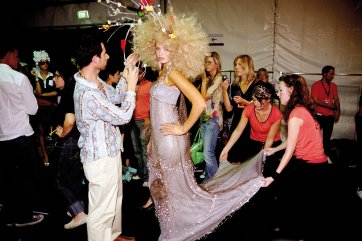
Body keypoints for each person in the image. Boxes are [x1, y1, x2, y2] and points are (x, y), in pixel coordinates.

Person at [132, 10, 265, 241]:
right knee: (162, 185)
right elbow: (156, 112)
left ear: (176, 51)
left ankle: (173, 231)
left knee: (172, 189)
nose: (161, 53)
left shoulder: (173, 73)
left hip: (171, 141)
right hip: (161, 140)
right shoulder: (162, 73)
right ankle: (171, 228)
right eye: (158, 48)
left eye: (166, 49)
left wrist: (183, 129)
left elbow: (198, 103)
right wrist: (153, 140)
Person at [73, 33, 139, 241]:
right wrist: (131, 88)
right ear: (94, 59)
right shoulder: (87, 93)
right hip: (99, 159)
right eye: (104, 53)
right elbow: (124, 116)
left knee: (115, 200)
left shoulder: (97, 83)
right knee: (101, 211)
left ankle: (113, 235)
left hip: (110, 152)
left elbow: (117, 96)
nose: (108, 56)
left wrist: (128, 69)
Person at [263, 74, 331, 240]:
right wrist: (274, 149)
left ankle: (296, 232)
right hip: (316, 165)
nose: (278, 94)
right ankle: (291, 228)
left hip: (312, 168)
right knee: (295, 202)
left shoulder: (296, 114)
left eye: (281, 90)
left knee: (298, 205)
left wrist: (274, 176)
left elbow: (290, 148)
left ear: (291, 90)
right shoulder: (301, 109)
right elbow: (291, 140)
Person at [0, 41, 44, 227]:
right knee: (26, 178)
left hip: (2, 137)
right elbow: (33, 109)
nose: (18, 60)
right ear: (8, 54)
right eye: (16, 56)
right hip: (20, 135)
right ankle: (24, 217)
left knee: (7, 178)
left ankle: (10, 215)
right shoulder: (18, 78)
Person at [52, 61, 88, 229]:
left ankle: (79, 213)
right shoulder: (77, 91)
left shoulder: (69, 94)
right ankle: (77, 208)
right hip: (78, 141)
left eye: (57, 75)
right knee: (74, 178)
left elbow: (69, 121)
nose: (54, 79)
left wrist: (63, 132)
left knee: (60, 180)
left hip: (68, 141)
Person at [221, 54, 256, 163]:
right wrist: (224, 91)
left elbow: (261, 107)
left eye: (240, 64)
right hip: (237, 124)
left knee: (249, 160)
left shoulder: (256, 84)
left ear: (247, 66)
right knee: (234, 159)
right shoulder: (235, 85)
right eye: (235, 64)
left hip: (252, 125)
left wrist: (244, 102)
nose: (236, 67)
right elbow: (229, 108)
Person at [31, 50, 59, 166]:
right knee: (41, 131)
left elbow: (55, 92)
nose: (45, 64)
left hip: (52, 107)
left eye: (46, 62)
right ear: (38, 63)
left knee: (55, 130)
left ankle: (57, 153)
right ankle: (45, 155)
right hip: (40, 108)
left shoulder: (52, 75)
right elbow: (37, 91)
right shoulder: (33, 76)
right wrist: (37, 79)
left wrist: (41, 95)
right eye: (42, 63)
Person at [199, 51, 224, 182]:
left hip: (213, 120)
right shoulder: (209, 79)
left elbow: (204, 96)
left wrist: (203, 80)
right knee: (207, 153)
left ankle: (215, 182)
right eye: (206, 62)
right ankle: (209, 180)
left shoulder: (220, 79)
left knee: (208, 154)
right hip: (205, 119)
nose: (206, 64)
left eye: (209, 62)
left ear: (216, 63)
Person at [129, 66, 152, 184]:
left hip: (144, 120)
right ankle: (141, 173)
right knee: (136, 150)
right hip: (132, 121)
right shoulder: (131, 85)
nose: (138, 75)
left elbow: (154, 104)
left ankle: (148, 177)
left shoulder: (150, 85)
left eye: (140, 73)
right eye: (136, 73)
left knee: (144, 150)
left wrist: (149, 117)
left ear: (144, 73)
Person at [311, 65, 340, 155]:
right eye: (331, 74)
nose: (333, 76)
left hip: (329, 117)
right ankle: (313, 155)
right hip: (318, 116)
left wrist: (338, 111)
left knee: (326, 139)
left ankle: (325, 157)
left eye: (333, 74)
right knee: (315, 137)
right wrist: (331, 106)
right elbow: (315, 100)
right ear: (324, 74)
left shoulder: (334, 86)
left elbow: (336, 99)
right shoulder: (316, 85)